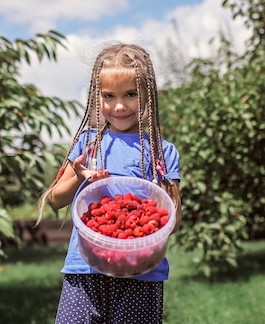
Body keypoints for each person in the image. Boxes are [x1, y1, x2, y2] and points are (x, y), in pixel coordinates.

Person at [37, 42, 182, 324]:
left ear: (147, 95)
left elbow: (171, 218)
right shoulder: (87, 144)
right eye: (108, 95)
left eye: (130, 94)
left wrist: (146, 225)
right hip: (85, 268)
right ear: (97, 96)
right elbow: (55, 199)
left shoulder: (161, 152)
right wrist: (79, 178)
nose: (118, 105)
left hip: (141, 272)